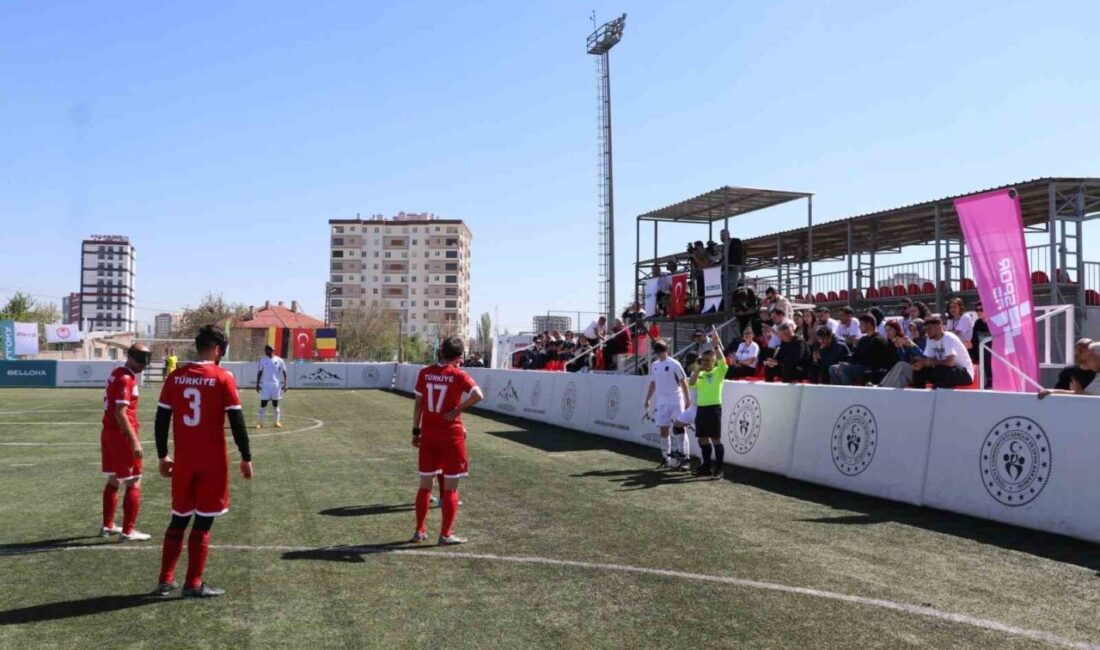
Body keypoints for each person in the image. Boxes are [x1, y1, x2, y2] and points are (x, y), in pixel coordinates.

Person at [153, 325, 253, 598]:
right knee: (203, 522)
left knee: (178, 519)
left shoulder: (176, 377)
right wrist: (246, 457)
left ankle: (165, 580)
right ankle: (193, 583)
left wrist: (163, 455)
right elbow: (237, 421)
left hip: (184, 463)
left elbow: (161, 420)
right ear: (218, 350)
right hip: (212, 464)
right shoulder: (222, 377)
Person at [410, 337, 484, 545]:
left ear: (441, 352)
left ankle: (419, 531)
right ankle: (445, 534)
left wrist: (416, 431)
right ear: (460, 357)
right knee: (451, 488)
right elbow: (478, 395)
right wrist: (456, 410)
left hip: (429, 435)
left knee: (425, 486)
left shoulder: (425, 373)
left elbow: (418, 406)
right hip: (451, 436)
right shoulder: (458, 375)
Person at [99, 343, 153, 541]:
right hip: (121, 436)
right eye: (139, 360)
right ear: (129, 357)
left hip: (109, 433)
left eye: (145, 361)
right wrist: (134, 441)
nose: (142, 365)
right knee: (134, 481)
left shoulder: (118, 373)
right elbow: (120, 412)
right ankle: (128, 531)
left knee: (114, 479)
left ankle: (107, 525)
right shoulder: (125, 378)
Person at [643, 338, 692, 469]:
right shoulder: (654, 365)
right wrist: (647, 398)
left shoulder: (674, 364)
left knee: (680, 429)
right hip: (662, 402)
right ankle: (666, 458)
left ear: (666, 350)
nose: (659, 353)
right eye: (657, 351)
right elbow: (653, 383)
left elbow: (683, 382)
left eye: (661, 350)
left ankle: (685, 459)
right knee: (663, 430)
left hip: (676, 400)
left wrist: (687, 400)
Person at [689, 328, 726, 478]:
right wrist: (698, 370)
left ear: (713, 360)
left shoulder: (719, 371)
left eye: (707, 360)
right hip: (701, 409)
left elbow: (723, 361)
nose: (704, 362)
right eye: (703, 360)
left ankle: (719, 468)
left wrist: (716, 346)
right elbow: (691, 384)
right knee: (702, 438)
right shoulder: (700, 374)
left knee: (715, 439)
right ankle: (706, 466)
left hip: (714, 409)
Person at [829, 314, 893, 386]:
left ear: (868, 324)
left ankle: (847, 394)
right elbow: (855, 356)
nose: (859, 326)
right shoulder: (863, 339)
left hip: (871, 370)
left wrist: (849, 366)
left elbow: (874, 362)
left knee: (845, 369)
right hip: (859, 367)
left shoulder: (878, 340)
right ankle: (838, 392)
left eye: (861, 324)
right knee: (833, 368)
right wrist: (845, 363)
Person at [912, 315, 974, 389]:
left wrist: (929, 362)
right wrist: (921, 363)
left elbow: (950, 362)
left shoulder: (948, 337)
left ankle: (937, 397)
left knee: (940, 369)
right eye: (926, 329)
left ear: (939, 327)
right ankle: (919, 396)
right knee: (920, 368)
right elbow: (929, 360)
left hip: (964, 374)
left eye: (930, 328)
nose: (927, 331)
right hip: (946, 371)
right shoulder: (930, 339)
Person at [879, 319, 928, 388]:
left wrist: (913, 346)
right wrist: (900, 348)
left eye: (915, 330)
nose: (913, 332)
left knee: (901, 365)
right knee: (900, 379)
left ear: (922, 330)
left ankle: (883, 387)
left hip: (923, 373)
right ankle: (888, 396)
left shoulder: (927, 341)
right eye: (911, 330)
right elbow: (905, 360)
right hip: (913, 371)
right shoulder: (912, 341)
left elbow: (925, 359)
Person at [255, 345, 289, 429]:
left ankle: (276, 422)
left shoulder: (279, 360)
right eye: (265, 350)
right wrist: (257, 384)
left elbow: (284, 371)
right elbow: (260, 372)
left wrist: (286, 383)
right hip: (266, 385)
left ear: (272, 350)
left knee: (275, 404)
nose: (265, 351)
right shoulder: (263, 360)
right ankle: (260, 423)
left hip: (276, 385)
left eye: (267, 350)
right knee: (263, 404)